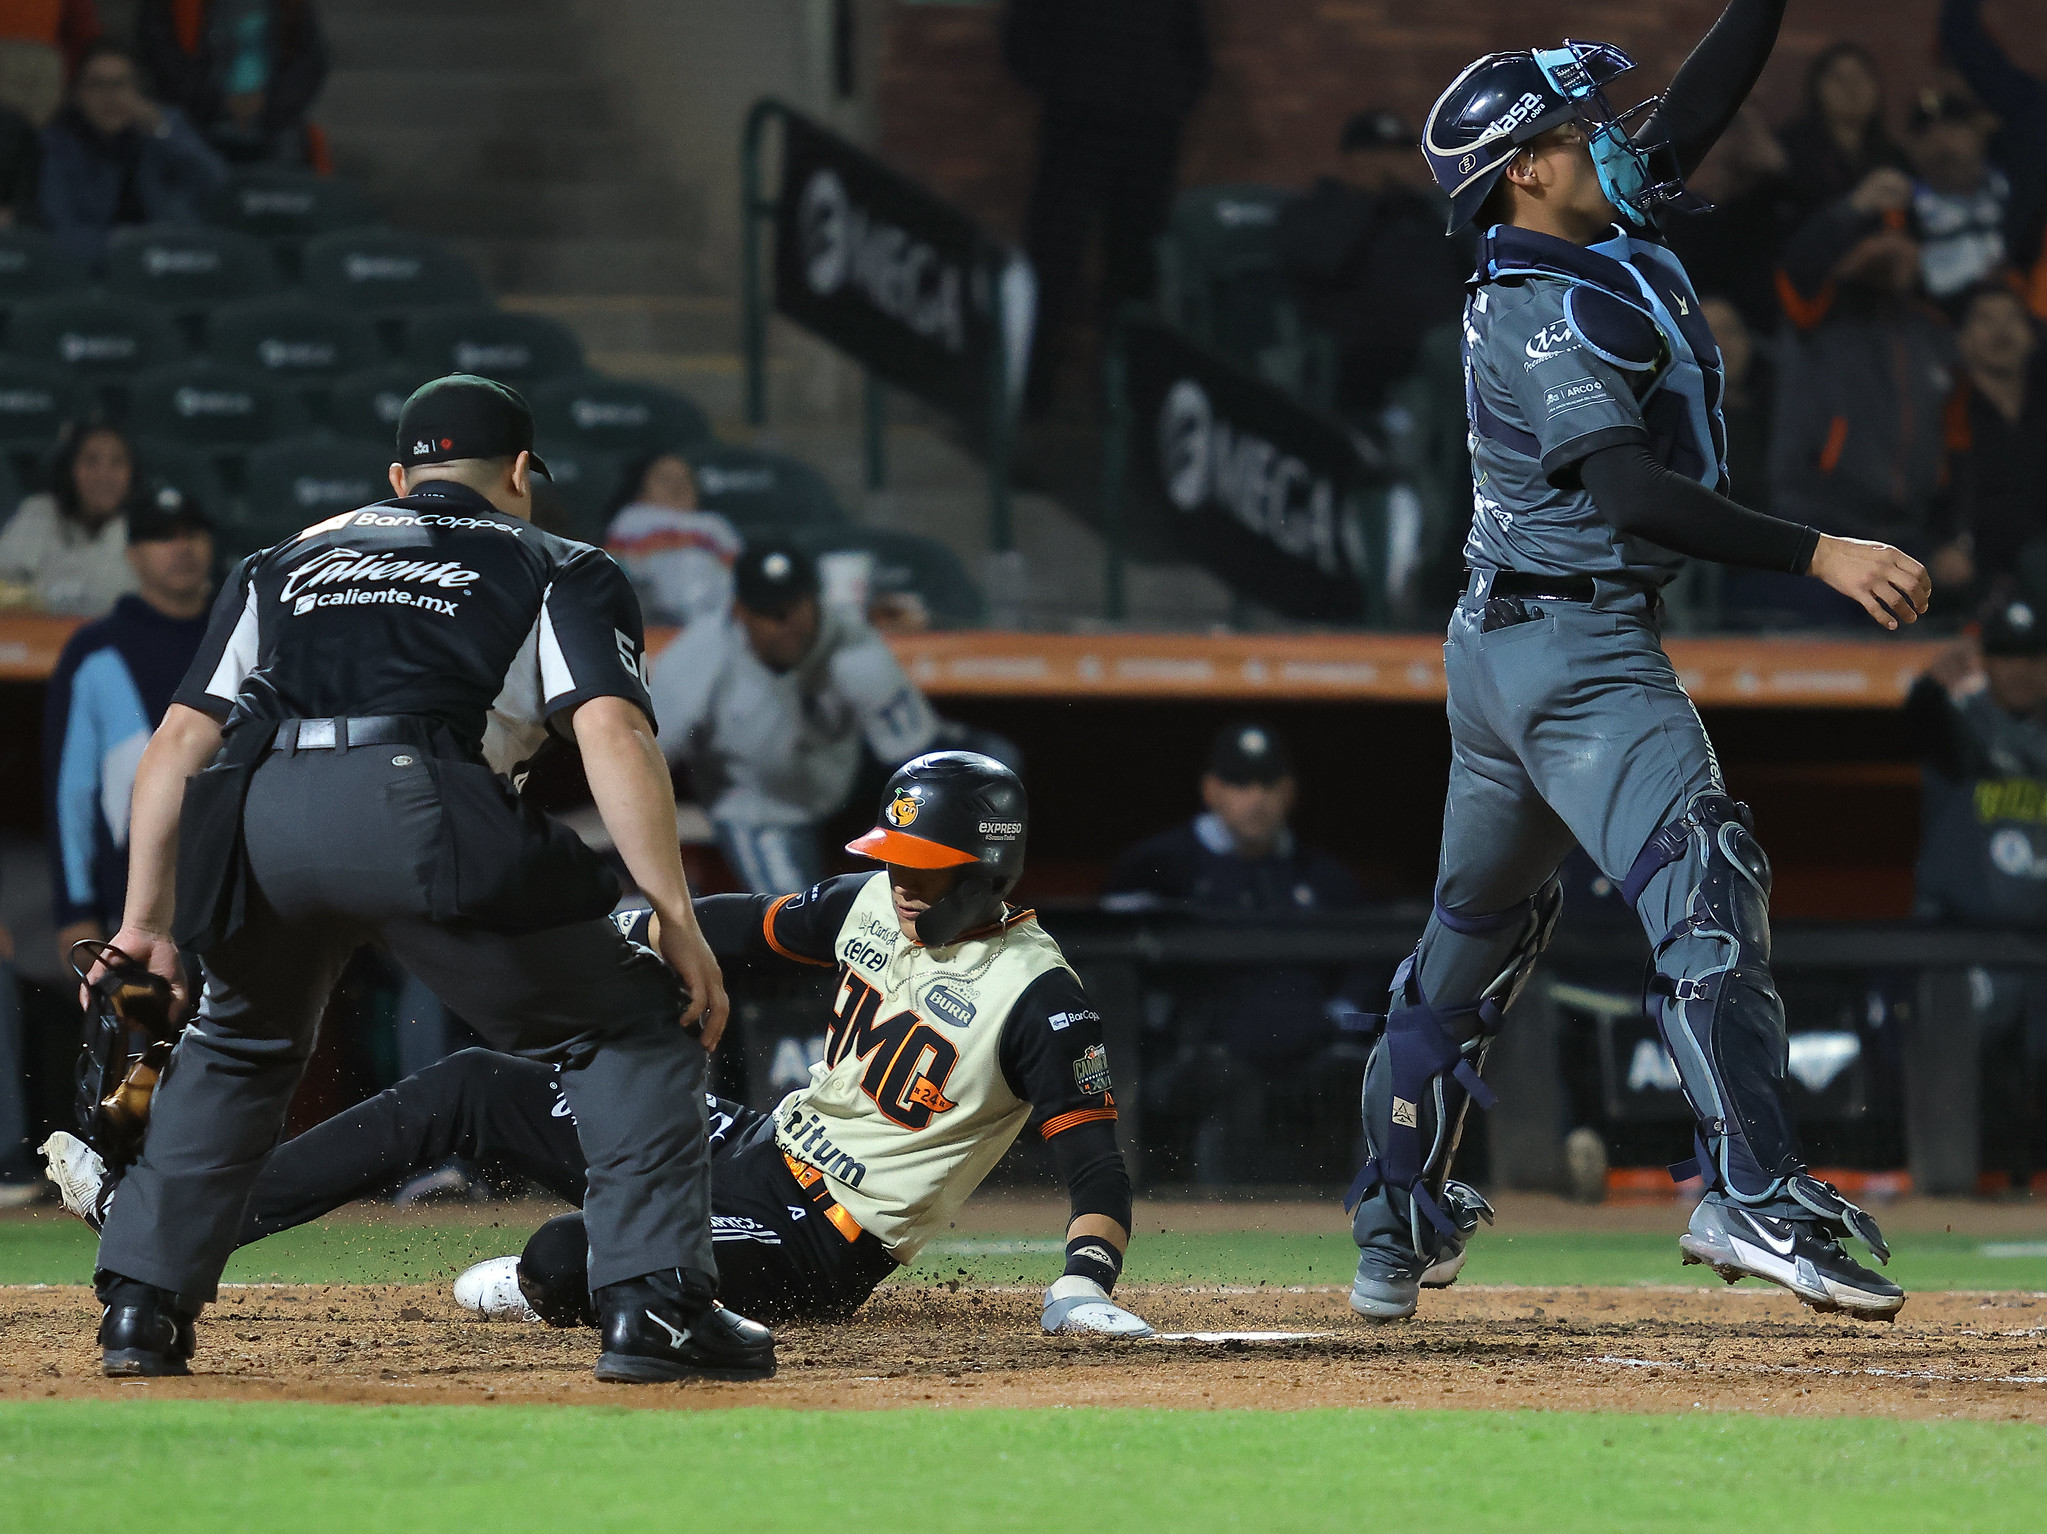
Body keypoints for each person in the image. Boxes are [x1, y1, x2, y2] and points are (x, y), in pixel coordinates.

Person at [1390, 7, 1926, 1326]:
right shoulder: (1535, 303)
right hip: (1573, 644)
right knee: (1703, 883)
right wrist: (1816, 553)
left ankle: (1390, 1211)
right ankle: (1750, 1189)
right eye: (1567, 133)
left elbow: (1687, 114)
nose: (1599, 144)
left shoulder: (1577, 233)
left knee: (1471, 936)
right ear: (1521, 169)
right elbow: (1630, 492)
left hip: (1506, 642)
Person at [77, 373, 772, 1385]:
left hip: (256, 810)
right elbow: (613, 730)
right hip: (418, 801)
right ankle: (655, 1307)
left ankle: (140, 1309)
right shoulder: (559, 562)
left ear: (400, 479)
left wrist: (144, 918)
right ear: (522, 474)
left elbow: (181, 738)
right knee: (633, 1020)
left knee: (237, 1038)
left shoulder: (286, 558)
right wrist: (673, 915)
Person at [46, 752, 1155, 1339]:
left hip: (817, 1241)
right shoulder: (870, 901)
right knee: (477, 1083)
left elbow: (1094, 1159)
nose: (901, 883)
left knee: (566, 1261)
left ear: (987, 873)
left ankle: (593, 1282)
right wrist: (640, 927)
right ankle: (170, 1217)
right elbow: (748, 925)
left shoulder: (1038, 998)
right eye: (897, 859)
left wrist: (1085, 1277)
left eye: (926, 868)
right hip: (749, 1148)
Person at [1102, 721, 1373, 1180]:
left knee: (1360, 1074)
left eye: (1268, 784)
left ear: (1289, 791)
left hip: (1309, 1054)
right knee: (1226, 1080)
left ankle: (1353, 1217)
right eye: (1239, 783)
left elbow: (1368, 961)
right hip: (1201, 1056)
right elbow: (1110, 964)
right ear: (1211, 790)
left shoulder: (1326, 878)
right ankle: (1220, 1220)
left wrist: (1338, 1015)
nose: (1256, 798)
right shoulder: (1156, 866)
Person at [652, 538, 938, 895]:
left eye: (795, 606)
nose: (787, 622)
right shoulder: (696, 660)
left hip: (848, 789)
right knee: (795, 920)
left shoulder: (856, 650)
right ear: (740, 611)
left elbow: (917, 758)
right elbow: (645, 754)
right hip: (759, 805)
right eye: (772, 613)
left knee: (983, 764)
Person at [1761, 166, 1953, 623]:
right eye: (1875, 238)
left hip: (1907, 534)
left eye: (1904, 240)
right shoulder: (1820, 308)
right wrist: (1853, 209)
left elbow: (1957, 444)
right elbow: (1800, 266)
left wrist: (1949, 535)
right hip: (1820, 528)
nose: (1891, 251)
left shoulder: (1933, 331)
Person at [1002, 0, 1210, 416]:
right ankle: (1034, 387)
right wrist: (1064, 89)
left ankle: (1123, 394)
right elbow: (1020, 38)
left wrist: (1169, 98)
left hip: (1146, 132)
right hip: (1078, 126)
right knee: (1054, 260)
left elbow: (1194, 47)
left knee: (1133, 266)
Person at [1905, 600, 2047, 1193]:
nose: (2020, 670)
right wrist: (1929, 687)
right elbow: (1921, 724)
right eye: (2007, 657)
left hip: (2039, 944)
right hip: (1963, 939)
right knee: (1960, 1061)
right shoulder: (1962, 726)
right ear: (1987, 662)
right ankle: (1949, 1194)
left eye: (2032, 657)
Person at [42, 482, 213, 968]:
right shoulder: (95, 650)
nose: (181, 547)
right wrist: (74, 908)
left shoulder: (243, 633)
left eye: (192, 533)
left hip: (234, 896)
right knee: (138, 1041)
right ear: (133, 554)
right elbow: (70, 791)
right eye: (163, 536)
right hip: (130, 904)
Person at [1274, 110, 1473, 421]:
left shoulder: (1422, 212)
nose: (1391, 163)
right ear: (1351, 159)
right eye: (1378, 153)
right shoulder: (1314, 211)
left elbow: (1466, 270)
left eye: (1400, 153)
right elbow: (1325, 268)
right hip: (1368, 354)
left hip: (1448, 337)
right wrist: (1372, 206)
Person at [37, 38, 226, 267]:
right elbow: (58, 230)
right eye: (96, 84)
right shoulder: (57, 145)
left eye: (119, 84)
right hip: (96, 271)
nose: (109, 96)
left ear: (138, 90)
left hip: (175, 264)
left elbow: (217, 183)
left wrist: (161, 129)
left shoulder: (165, 128)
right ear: (77, 94)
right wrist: (126, 245)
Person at [1931, 283, 2047, 613]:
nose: (2001, 332)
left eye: (2012, 319)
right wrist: (1940, 549)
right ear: (1961, 339)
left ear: (2031, 335)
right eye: (1985, 320)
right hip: (1970, 576)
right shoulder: (1941, 412)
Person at [137, 0, 328, 165]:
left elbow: (310, 60)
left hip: (273, 125)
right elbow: (159, 52)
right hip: (195, 119)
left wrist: (269, 105)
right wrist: (217, 102)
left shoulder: (290, 6)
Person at [0, 420, 139, 616]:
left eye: (117, 462)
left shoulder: (148, 525)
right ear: (70, 469)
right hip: (40, 637)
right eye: (91, 461)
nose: (103, 475)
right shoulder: (40, 513)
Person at [602, 451, 742, 629]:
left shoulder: (716, 525)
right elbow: (613, 563)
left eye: (685, 480)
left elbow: (738, 569)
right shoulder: (630, 519)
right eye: (665, 479)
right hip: (652, 609)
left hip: (715, 611)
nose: (676, 486)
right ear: (642, 489)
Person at [1775, 41, 1912, 221]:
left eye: (1861, 77)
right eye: (1838, 78)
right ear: (1817, 88)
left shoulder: (1892, 157)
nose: (1852, 88)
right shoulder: (1791, 151)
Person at [1905, 87, 2008, 310]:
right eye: (1926, 134)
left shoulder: (2016, 192)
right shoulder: (1900, 211)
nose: (1941, 142)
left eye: (1952, 128)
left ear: (1979, 136)